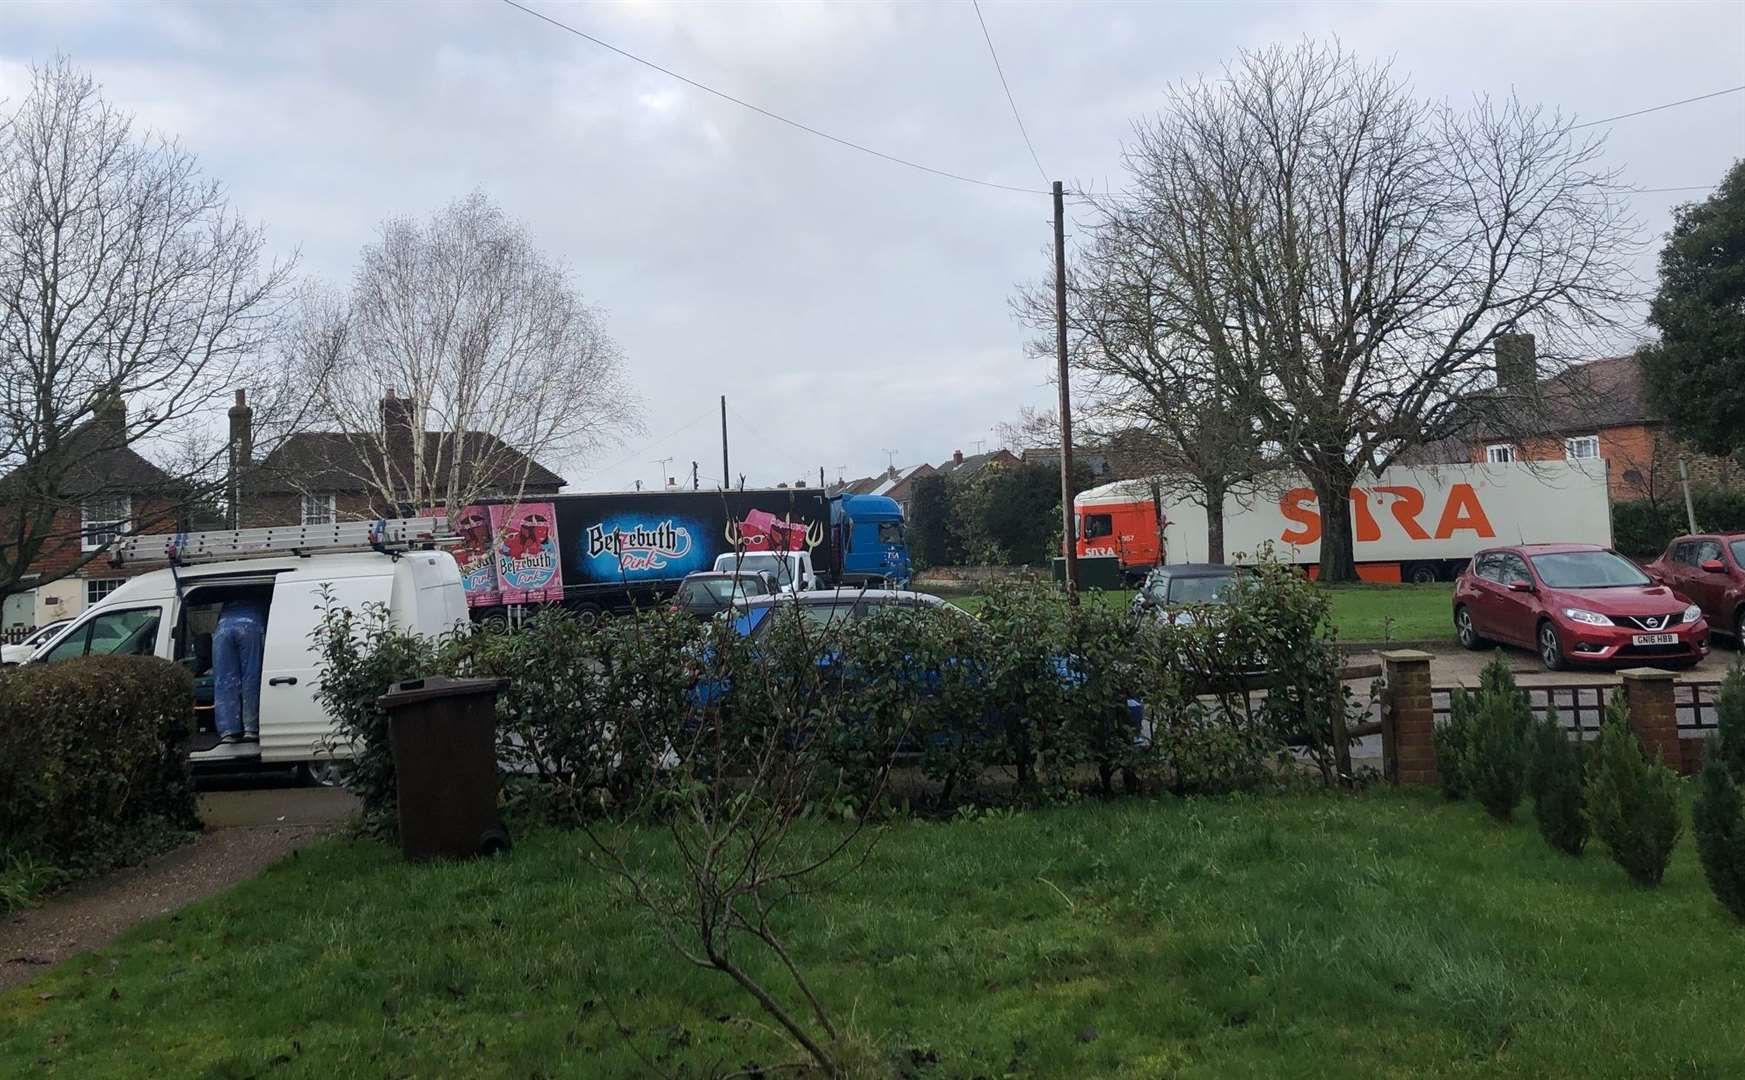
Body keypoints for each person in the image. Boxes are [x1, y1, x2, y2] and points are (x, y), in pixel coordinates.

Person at [212, 598, 267, 744]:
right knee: (251, 676)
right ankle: (250, 728)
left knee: (224, 679)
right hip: (251, 624)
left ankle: (228, 730)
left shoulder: (228, 597)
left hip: (223, 626)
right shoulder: (261, 598)